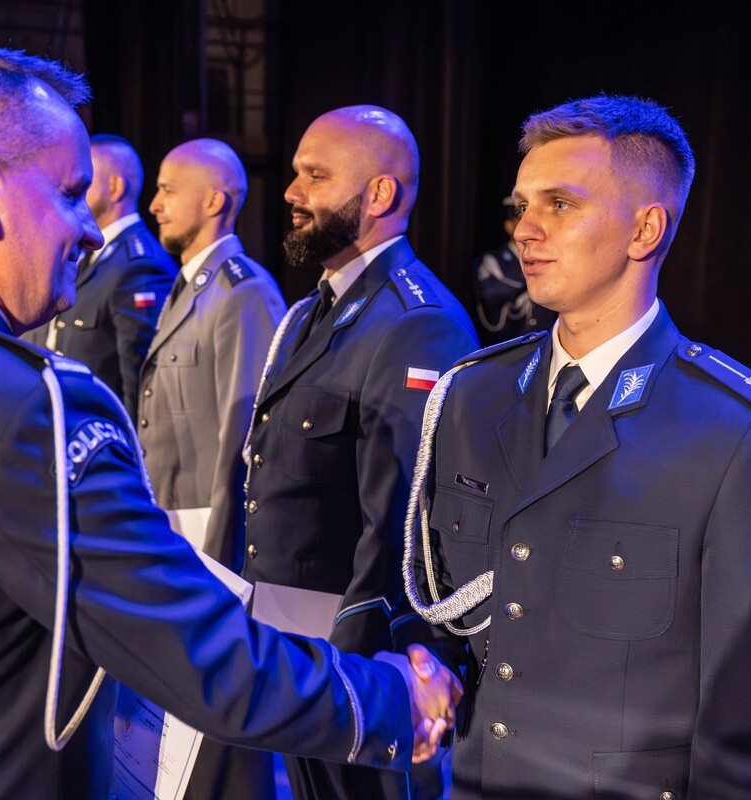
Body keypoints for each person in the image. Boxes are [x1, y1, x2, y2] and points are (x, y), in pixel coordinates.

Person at [0, 44, 461, 800]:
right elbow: (193, 651)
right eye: (68, 194)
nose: (90, 232)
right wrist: (392, 702)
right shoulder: (26, 406)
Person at [403, 94, 751, 799]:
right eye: (521, 206)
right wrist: (424, 665)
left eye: (560, 204)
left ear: (644, 229)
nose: (524, 230)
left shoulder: (745, 433)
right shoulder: (472, 395)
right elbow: (440, 602)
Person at [241, 105, 480, 800]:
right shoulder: (313, 311)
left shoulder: (414, 322)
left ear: (379, 194)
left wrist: (355, 673)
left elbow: (401, 525)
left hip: (356, 658)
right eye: (295, 173)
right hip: (292, 639)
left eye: (315, 176)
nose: (292, 192)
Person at [140, 138, 285, 800]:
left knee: (221, 726)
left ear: (215, 201)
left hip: (208, 532)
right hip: (175, 522)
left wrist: (224, 559)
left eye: (169, 189)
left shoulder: (242, 292)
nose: (155, 203)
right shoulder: (189, 288)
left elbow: (244, 438)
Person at [23, 134, 176, 417]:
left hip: (102, 426)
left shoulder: (139, 265)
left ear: (115, 187)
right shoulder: (89, 253)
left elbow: (139, 379)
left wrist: (127, 441)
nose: (71, 190)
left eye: (85, 182)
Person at [469, 196, 552, 345]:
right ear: (509, 226)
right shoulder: (493, 259)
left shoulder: (546, 257)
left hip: (542, 343)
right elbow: (493, 291)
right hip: (507, 343)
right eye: (519, 220)